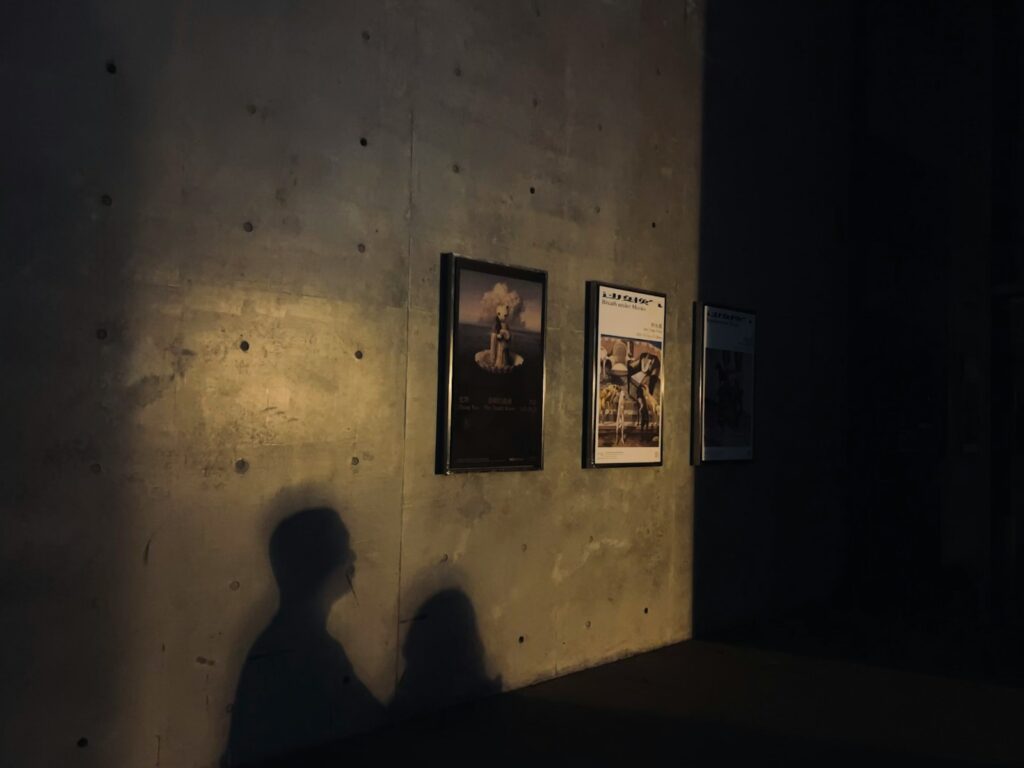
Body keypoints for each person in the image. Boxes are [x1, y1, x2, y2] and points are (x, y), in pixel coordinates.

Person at [223, 508, 382, 767]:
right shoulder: (310, 651)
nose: (352, 557)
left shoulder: (284, 642)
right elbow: (371, 724)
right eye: (342, 548)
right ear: (319, 564)